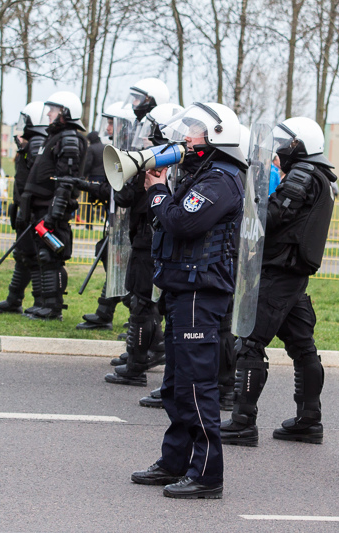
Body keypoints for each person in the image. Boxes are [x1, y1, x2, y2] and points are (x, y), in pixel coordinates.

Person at [130, 102, 245, 499]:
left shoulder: (221, 180)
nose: (186, 137)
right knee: (176, 386)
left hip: (201, 293)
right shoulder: (198, 175)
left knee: (197, 387)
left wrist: (157, 191)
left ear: (216, 137)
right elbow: (167, 219)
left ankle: (207, 475)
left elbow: (182, 222)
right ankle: (175, 461)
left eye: (194, 131)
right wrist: (159, 191)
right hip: (182, 289)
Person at [219, 116, 336, 448]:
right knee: (302, 346)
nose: (280, 150)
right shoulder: (319, 176)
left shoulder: (303, 173)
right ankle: (309, 420)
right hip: (291, 273)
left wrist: (245, 207)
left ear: (300, 145)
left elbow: (274, 214)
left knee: (249, 341)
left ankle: (243, 422)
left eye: (286, 143)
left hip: (280, 272)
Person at [103, 78, 171, 387]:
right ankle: (143, 353)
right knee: (139, 297)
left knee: (142, 301)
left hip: (149, 236)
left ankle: (137, 365)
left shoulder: (161, 160)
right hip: (143, 235)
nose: (144, 136)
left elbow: (132, 197)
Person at [15, 91, 88, 320]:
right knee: (41, 256)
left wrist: (54, 213)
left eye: (53, 110)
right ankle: (43, 303)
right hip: (42, 208)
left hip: (52, 210)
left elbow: (66, 179)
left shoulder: (69, 139)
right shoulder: (56, 137)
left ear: (65, 112)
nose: (48, 114)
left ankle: (53, 308)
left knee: (50, 257)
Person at [75, 102, 135, 331]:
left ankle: (138, 317)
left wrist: (92, 188)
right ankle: (104, 313)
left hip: (130, 222)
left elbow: (123, 191)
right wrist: (91, 188)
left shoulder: (131, 151)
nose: (108, 128)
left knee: (125, 268)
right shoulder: (117, 150)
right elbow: (112, 190)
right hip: (117, 219)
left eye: (112, 123)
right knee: (113, 264)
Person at [0, 101, 47, 315]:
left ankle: (40, 301)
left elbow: (35, 179)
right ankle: (14, 299)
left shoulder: (36, 144)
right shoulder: (29, 145)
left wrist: (29, 209)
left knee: (32, 256)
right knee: (22, 255)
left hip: (31, 210)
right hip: (22, 207)